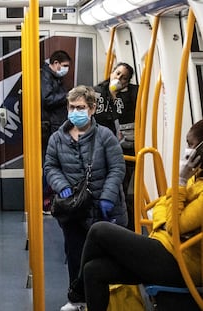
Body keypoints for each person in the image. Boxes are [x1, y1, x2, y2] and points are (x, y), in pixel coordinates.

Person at [65, 119, 203, 311]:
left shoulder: (191, 184)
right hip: (166, 248)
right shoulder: (195, 178)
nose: (187, 150)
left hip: (182, 264)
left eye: (191, 145)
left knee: (99, 230)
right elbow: (162, 209)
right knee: (93, 270)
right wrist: (171, 211)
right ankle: (80, 291)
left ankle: (76, 292)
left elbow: (173, 225)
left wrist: (179, 182)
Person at [43, 85, 127, 311]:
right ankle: (77, 299)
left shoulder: (105, 136)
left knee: (101, 259)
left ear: (92, 109)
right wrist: (61, 186)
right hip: (74, 208)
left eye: (80, 107)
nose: (75, 112)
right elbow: (50, 166)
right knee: (75, 255)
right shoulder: (57, 139)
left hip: (102, 206)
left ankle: (104, 301)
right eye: (72, 107)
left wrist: (108, 196)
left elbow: (117, 169)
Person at [94, 62, 139, 230]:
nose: (118, 78)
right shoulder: (99, 92)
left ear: (127, 82)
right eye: (117, 73)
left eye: (123, 77)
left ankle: (126, 226)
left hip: (127, 147)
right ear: (111, 72)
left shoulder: (134, 93)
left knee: (123, 186)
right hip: (104, 146)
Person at [40, 50, 72, 211]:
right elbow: (46, 99)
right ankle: (45, 199)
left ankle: (50, 197)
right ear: (56, 63)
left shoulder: (54, 77)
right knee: (49, 163)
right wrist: (67, 96)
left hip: (54, 125)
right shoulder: (45, 77)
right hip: (49, 127)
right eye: (64, 66)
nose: (66, 69)